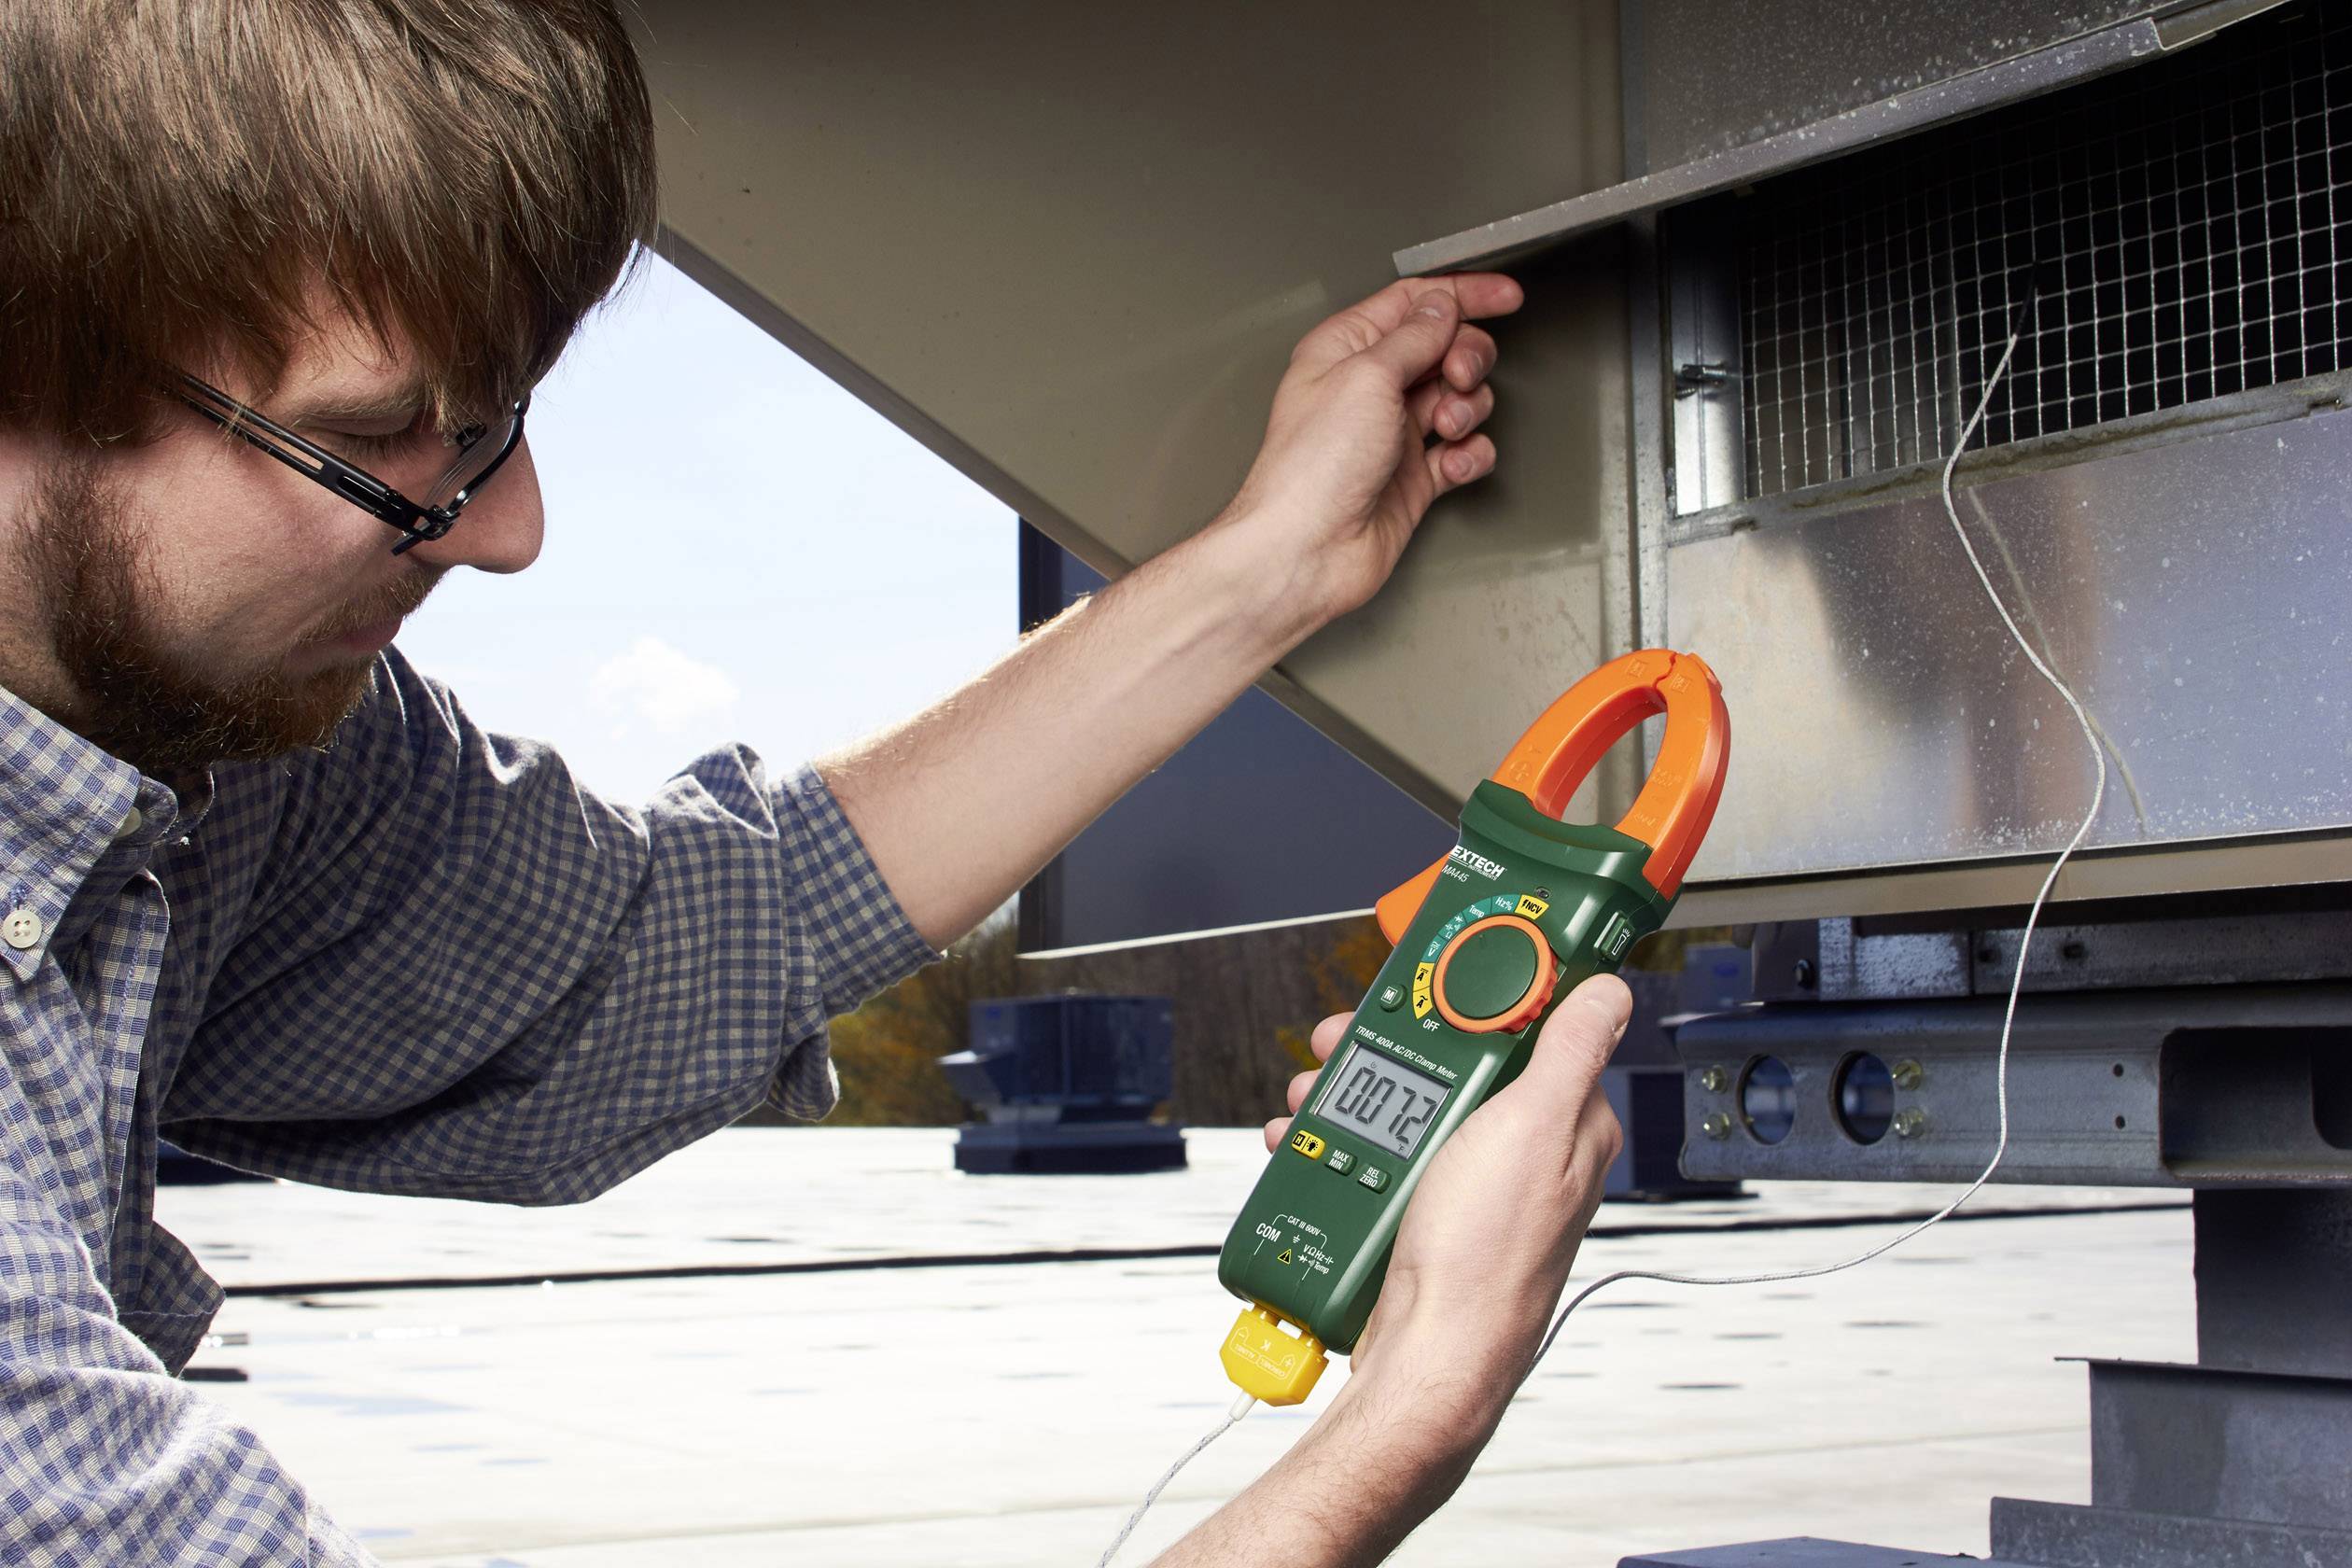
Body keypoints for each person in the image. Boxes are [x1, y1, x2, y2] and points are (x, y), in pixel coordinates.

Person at [0, 3, 1629, 1562]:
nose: (507, 531)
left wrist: (1268, 570)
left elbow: (672, 946)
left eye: (498, 427)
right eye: (381, 438)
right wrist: (1417, 1398)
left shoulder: (207, 757)